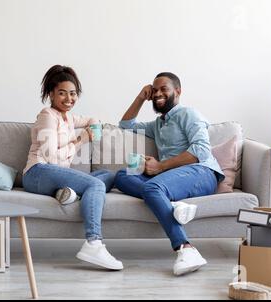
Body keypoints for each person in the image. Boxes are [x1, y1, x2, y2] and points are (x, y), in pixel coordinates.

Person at [114, 72, 224, 276]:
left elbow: (201, 151)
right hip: (171, 179)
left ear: (178, 91)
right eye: (154, 90)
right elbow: (126, 125)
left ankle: (186, 248)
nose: (157, 93)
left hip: (201, 172)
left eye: (164, 88)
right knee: (122, 176)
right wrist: (140, 97)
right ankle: (171, 204)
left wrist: (160, 166)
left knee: (152, 187)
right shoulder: (157, 124)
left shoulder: (189, 114)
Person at [22, 65, 123, 271]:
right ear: (51, 93)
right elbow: (51, 157)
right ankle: (93, 243)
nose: (69, 98)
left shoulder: (68, 117)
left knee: (109, 175)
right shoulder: (48, 115)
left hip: (53, 175)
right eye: (62, 93)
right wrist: (81, 139)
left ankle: (69, 194)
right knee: (95, 185)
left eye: (73, 93)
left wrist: (94, 127)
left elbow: (93, 119)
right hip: (38, 172)